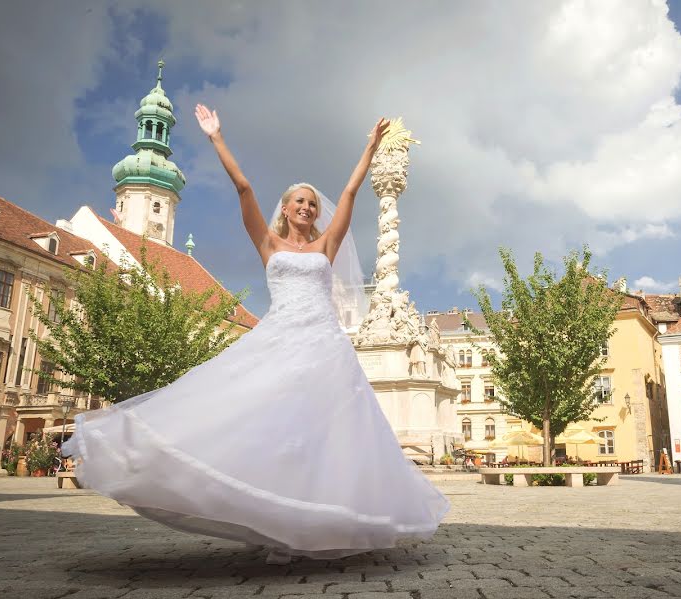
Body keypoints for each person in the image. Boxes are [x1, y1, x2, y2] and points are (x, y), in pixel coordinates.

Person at [62, 105, 449, 565]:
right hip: (282, 340)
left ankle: (295, 527)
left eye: (311, 202)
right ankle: (265, 523)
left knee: (313, 437)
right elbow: (244, 187)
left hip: (324, 346)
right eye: (298, 201)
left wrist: (368, 149)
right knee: (266, 428)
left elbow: (348, 193)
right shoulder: (268, 242)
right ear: (285, 209)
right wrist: (216, 137)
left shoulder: (327, 244)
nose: (307, 206)